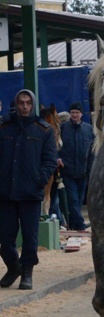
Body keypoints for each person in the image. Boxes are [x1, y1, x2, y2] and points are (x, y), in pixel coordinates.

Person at [0, 89, 57, 290]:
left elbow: (50, 160)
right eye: (21, 103)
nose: (24, 106)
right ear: (16, 104)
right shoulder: (4, 126)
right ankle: (13, 266)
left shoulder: (44, 130)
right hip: (5, 192)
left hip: (30, 192)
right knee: (5, 237)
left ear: (33, 104)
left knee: (30, 236)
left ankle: (27, 273)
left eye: (28, 103)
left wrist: (39, 180)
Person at [57, 102, 94, 231]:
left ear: (81, 114)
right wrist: (58, 157)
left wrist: (91, 168)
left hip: (83, 172)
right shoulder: (62, 128)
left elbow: (93, 151)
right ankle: (80, 223)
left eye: (77, 113)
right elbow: (55, 145)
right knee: (72, 200)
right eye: (72, 112)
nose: (74, 115)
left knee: (78, 201)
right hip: (67, 171)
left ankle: (73, 224)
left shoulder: (89, 130)